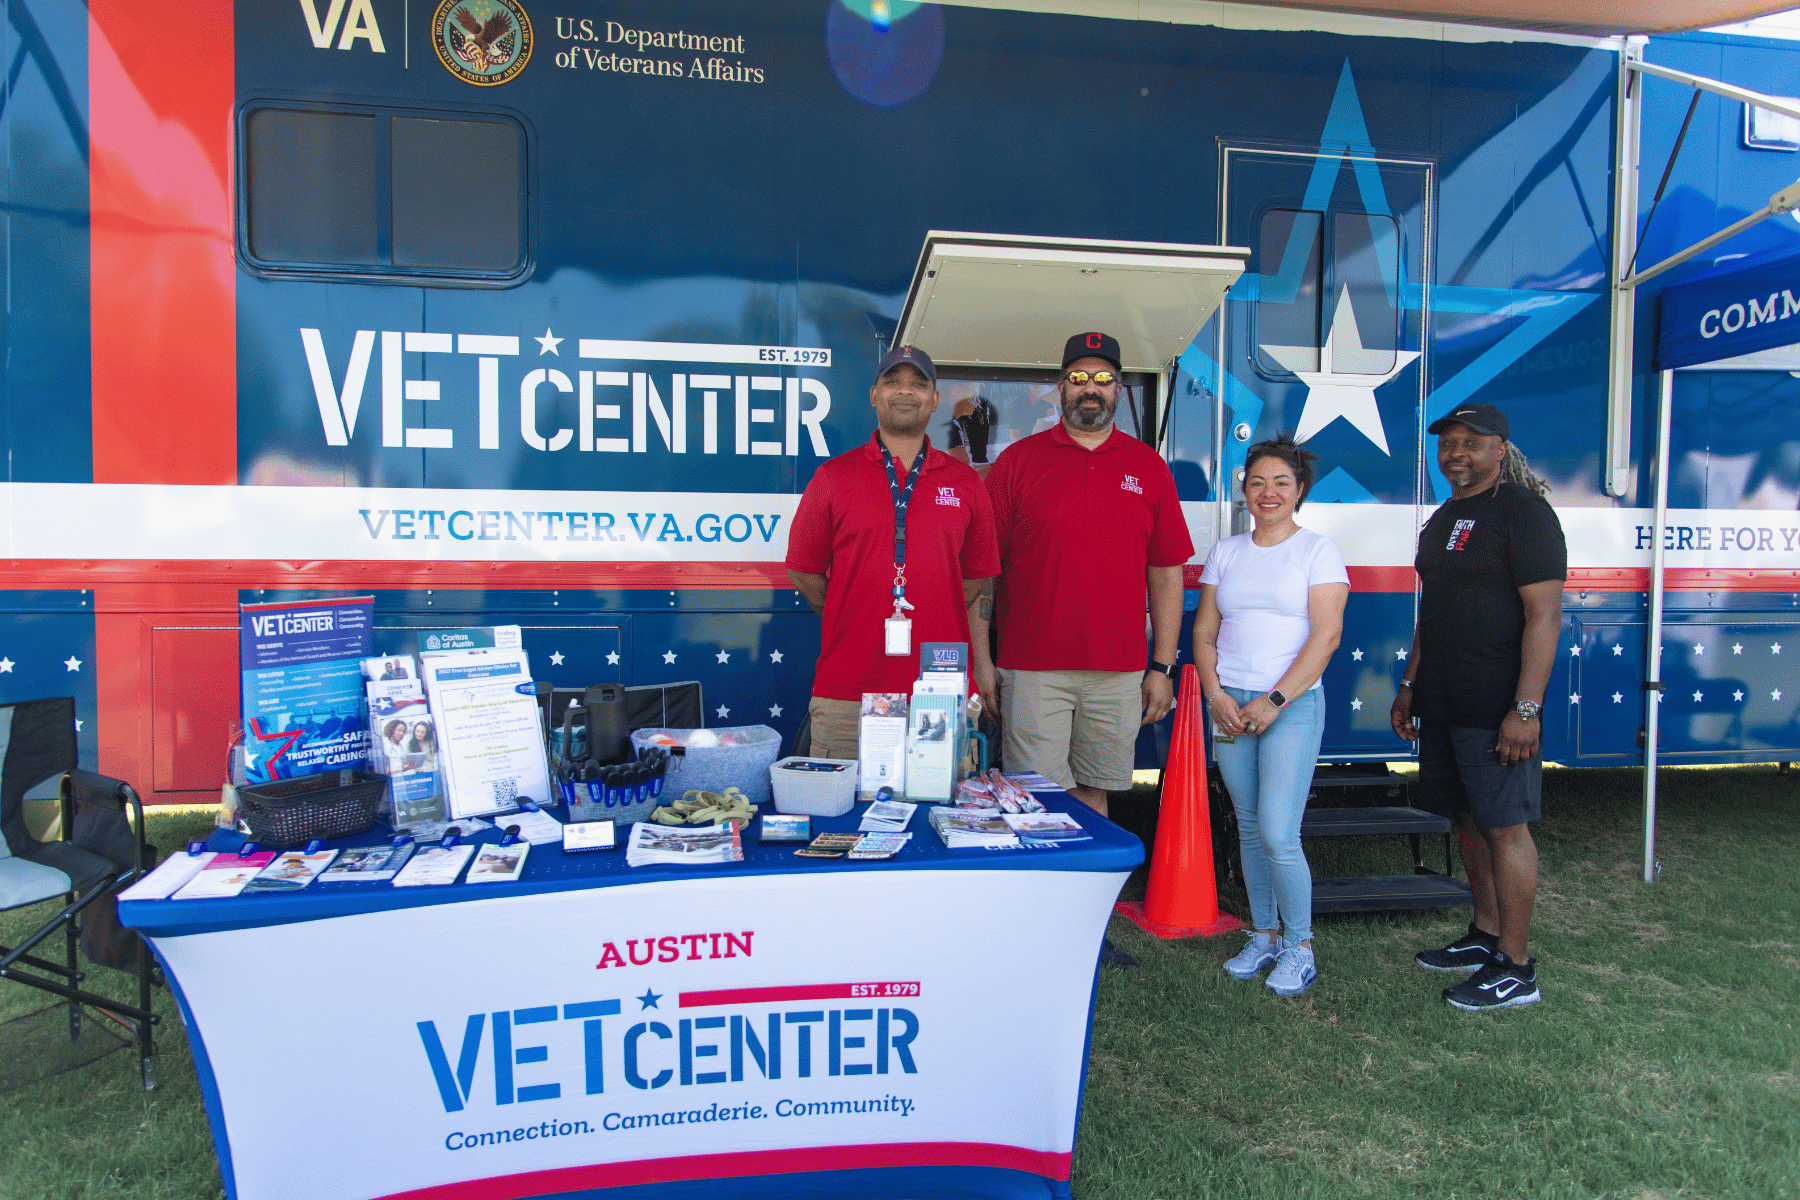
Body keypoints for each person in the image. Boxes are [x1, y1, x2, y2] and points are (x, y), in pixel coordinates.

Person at [1391, 403, 1564, 1011]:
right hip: (1443, 700)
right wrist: (1411, 683)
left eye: (1471, 442)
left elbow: (1544, 616)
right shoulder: (1445, 518)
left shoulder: (1523, 512)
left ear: (1499, 448)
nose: (1456, 453)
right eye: (1448, 443)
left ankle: (1516, 969)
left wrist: (1526, 707)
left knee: (1505, 829)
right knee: (1466, 819)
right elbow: (1432, 611)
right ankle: (1486, 934)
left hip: (1497, 707)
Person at [984, 332, 1193, 819]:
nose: (1090, 388)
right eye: (1079, 378)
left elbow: (1166, 573)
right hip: (1033, 668)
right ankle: (1039, 897)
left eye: (1104, 378)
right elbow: (981, 572)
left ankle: (1089, 898)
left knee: (1095, 796)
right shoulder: (1018, 463)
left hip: (1118, 672)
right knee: (1036, 801)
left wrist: (1161, 668)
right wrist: (983, 660)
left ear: (1120, 390)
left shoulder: (1149, 468)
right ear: (1060, 387)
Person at [786, 346, 999, 759]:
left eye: (918, 384)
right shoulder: (834, 477)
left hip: (939, 694)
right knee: (843, 820)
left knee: (939, 818)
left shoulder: (966, 483)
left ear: (934, 399)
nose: (905, 392)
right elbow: (804, 572)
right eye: (893, 383)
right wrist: (847, 608)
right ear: (873, 394)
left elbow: (977, 577)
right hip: (849, 693)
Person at [1193, 435, 1348, 997]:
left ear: (1299, 490)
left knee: (1281, 833)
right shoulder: (1227, 552)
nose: (1268, 492)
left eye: (1282, 482)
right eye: (1257, 482)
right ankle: (1262, 935)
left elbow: (1326, 636)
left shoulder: (1318, 551)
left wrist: (1274, 701)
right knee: (1252, 829)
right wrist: (1216, 695)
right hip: (1230, 702)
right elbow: (1205, 631)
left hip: (1291, 705)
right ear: (1244, 490)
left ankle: (1299, 947)